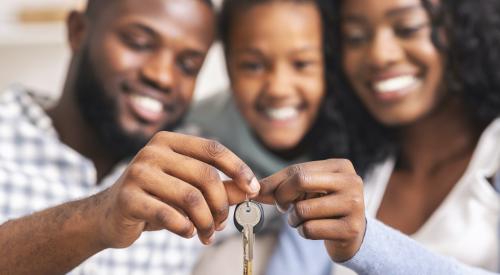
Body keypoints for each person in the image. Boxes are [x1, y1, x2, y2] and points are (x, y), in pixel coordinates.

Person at [195, 0, 500, 274]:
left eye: (407, 28)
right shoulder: (348, 162)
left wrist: (367, 243)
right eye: (355, 37)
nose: (379, 55)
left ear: (464, 27)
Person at [0, 0, 264, 273]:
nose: (162, 76)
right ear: (77, 31)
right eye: (138, 43)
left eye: (188, 65)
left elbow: (273, 202)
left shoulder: (203, 164)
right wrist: (95, 217)